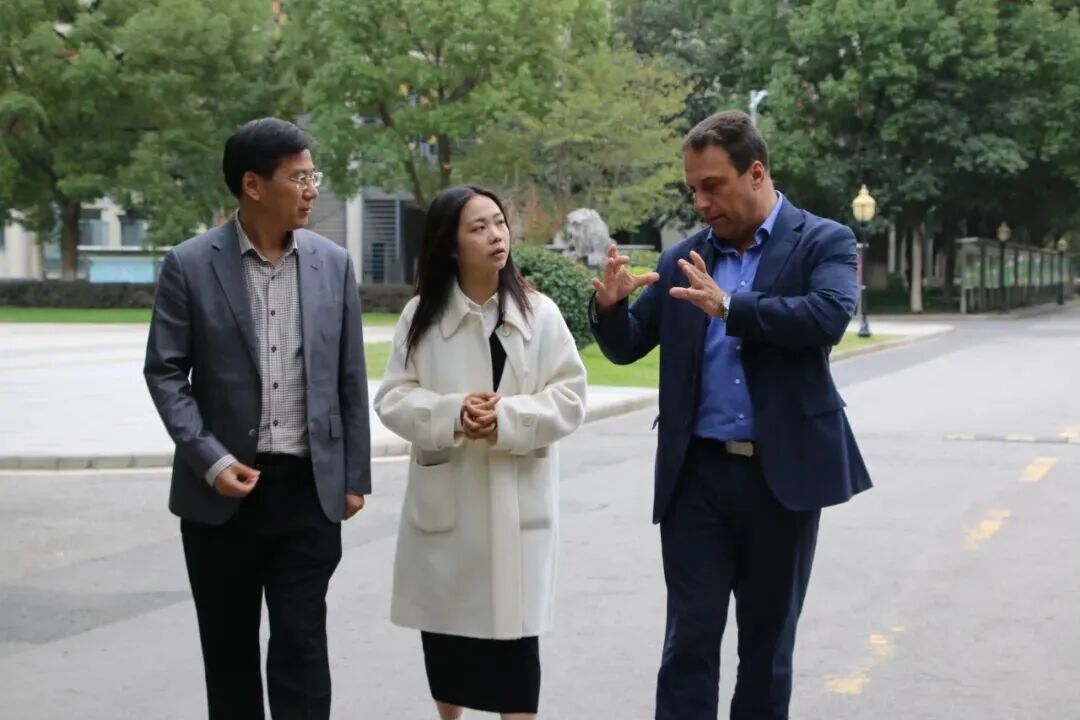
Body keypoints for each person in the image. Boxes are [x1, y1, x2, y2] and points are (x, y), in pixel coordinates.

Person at [589, 110, 872, 720]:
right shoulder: (685, 258)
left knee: (766, 648)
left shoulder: (823, 240)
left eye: (712, 186)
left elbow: (827, 316)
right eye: (693, 189)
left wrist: (731, 307)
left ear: (756, 173)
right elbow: (630, 344)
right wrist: (609, 309)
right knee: (688, 640)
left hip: (781, 477)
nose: (700, 202)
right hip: (697, 478)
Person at [143, 117, 371, 719]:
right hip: (221, 497)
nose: (312, 190)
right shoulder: (189, 264)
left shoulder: (333, 264)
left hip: (307, 491)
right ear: (252, 184)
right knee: (229, 658)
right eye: (299, 178)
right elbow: (165, 372)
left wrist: (354, 475)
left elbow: (349, 376)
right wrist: (210, 459)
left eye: (313, 176)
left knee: (302, 647)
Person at [374, 185, 587, 720]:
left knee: (517, 655)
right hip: (448, 510)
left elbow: (570, 397)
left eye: (499, 223)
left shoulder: (540, 314)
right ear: (451, 246)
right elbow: (393, 398)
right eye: (479, 227)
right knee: (448, 644)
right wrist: (452, 414)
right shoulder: (421, 318)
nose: (496, 236)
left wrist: (508, 420)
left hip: (517, 507)